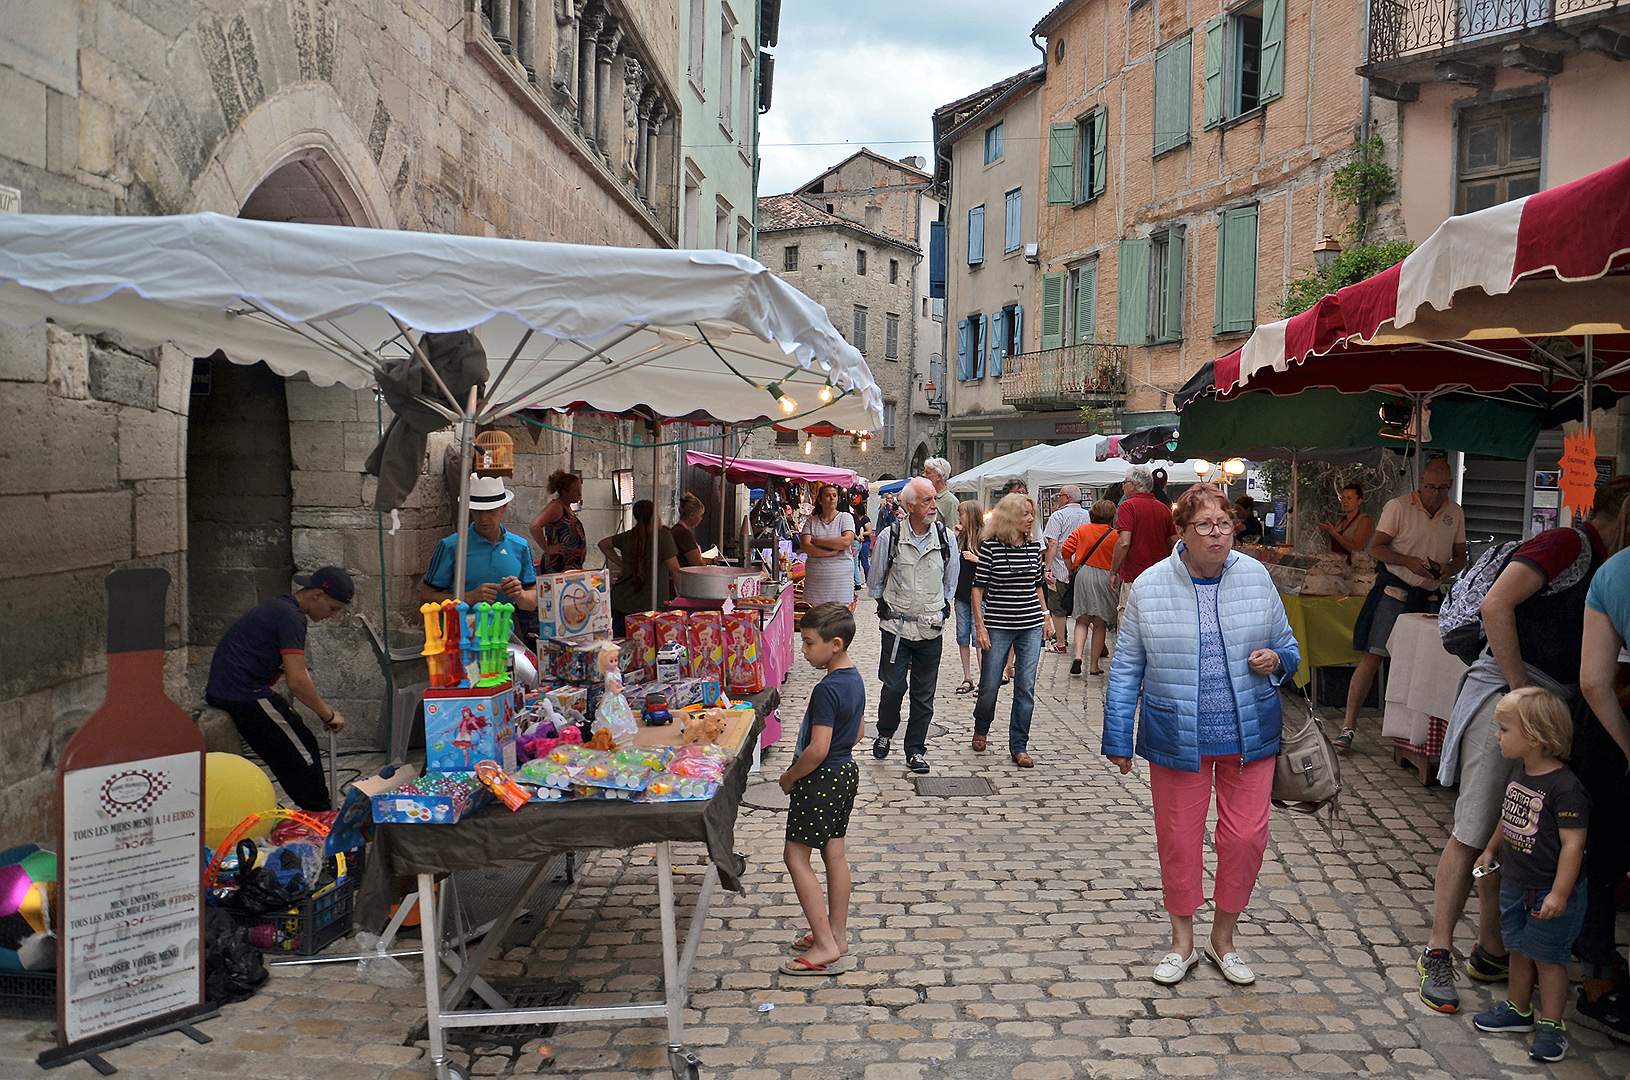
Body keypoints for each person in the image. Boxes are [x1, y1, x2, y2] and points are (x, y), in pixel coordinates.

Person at [1414, 478, 1630, 1016]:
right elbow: (1495, 605)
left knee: (1516, 831)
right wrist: (1520, 694)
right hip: (1512, 695)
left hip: (1555, 704)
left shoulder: (1608, 562)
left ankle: (1493, 950)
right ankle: (1436, 951)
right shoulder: (1566, 544)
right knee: (1473, 827)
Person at [1102, 484, 1299, 987]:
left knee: (1246, 838)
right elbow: (1125, 668)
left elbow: (1289, 649)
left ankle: (1224, 938)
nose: (1218, 534)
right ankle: (1182, 942)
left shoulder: (1256, 576)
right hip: (1176, 734)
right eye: (1206, 526)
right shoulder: (1149, 585)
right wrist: (1119, 736)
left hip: (1250, 734)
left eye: (1225, 524)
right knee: (1178, 840)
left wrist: (1276, 661)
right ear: (1182, 532)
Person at [1470, 687, 1588, 1064]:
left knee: (1550, 959)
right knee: (1518, 947)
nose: (1497, 735)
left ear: (1535, 738)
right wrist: (1491, 848)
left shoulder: (1567, 789)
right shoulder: (1521, 771)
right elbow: (1510, 814)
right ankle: (1518, 1009)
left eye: (1504, 729)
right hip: (1516, 883)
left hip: (1549, 891)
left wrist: (1559, 893)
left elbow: (1573, 846)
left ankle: (1553, 1024)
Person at [1339, 459, 1466, 750]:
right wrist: (1408, 561)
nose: (1437, 493)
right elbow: (1377, 548)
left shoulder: (1454, 512)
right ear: (1420, 482)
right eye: (1431, 487)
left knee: (1427, 665)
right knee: (1373, 657)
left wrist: (1450, 567)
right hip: (1394, 592)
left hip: (1429, 595)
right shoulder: (1398, 506)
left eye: (1443, 488)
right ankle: (1348, 726)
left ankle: (1418, 735)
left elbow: (1461, 555)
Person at [204, 566, 354, 811]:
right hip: (242, 693)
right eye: (333, 609)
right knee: (301, 753)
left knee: (301, 740)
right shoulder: (291, 616)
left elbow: (299, 671)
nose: (332, 616)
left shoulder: (283, 608)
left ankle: (317, 810)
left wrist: (323, 711)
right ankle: (320, 815)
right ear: (317, 595)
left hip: (241, 689)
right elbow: (296, 682)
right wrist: (326, 714)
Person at [778, 602, 864, 977]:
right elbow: (859, 731)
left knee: (796, 857)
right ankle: (837, 935)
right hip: (845, 773)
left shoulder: (826, 690)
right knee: (835, 855)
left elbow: (817, 749)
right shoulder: (855, 678)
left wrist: (791, 776)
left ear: (835, 644)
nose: (803, 650)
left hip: (821, 779)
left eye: (809, 643)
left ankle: (825, 943)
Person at [866, 478, 958, 774]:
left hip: (930, 629)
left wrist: (937, 611)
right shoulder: (890, 537)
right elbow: (875, 582)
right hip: (896, 629)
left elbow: (950, 583)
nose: (934, 506)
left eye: (934, 499)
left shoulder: (945, 538)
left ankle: (915, 749)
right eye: (927, 501)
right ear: (909, 505)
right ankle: (884, 731)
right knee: (893, 686)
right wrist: (894, 606)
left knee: (923, 694)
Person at [971, 493, 1048, 768]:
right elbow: (978, 589)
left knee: (1025, 687)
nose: (1030, 519)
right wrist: (980, 626)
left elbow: (1038, 584)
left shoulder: (1033, 546)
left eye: (1031, 514)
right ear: (1009, 518)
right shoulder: (991, 548)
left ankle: (1019, 745)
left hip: (1030, 625)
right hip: (999, 625)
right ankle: (982, 726)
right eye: (1024, 514)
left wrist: (1046, 616)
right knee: (990, 685)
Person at [422, 475, 540, 637]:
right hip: (457, 642)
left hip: (502, 642)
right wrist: (467, 598)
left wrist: (519, 594)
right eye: (477, 511)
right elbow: (426, 598)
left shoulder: (519, 546)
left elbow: (532, 601)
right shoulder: (451, 546)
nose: (483, 518)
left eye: (490, 511)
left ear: (503, 507)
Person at [599, 499, 681, 636]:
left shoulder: (628, 536)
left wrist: (621, 564)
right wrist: (682, 597)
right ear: (655, 516)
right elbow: (675, 570)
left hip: (621, 603)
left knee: (624, 651)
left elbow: (603, 544)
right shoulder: (663, 536)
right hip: (650, 607)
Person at [1109, 466, 1179, 624]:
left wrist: (1113, 571)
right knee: (1155, 621)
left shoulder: (1127, 506)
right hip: (1160, 576)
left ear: (1133, 484)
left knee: (1129, 620)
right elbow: (1176, 541)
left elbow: (1124, 542)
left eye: (1125, 483)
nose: (1123, 487)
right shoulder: (1164, 509)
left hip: (1134, 574)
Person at [1061, 499, 1119, 676]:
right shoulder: (1116, 534)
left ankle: (1078, 656)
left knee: (1082, 619)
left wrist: (1071, 568)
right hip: (1106, 575)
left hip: (1083, 574)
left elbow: (1065, 550)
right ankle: (1094, 666)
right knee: (1100, 623)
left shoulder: (1082, 530)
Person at [1041, 485, 1094, 655]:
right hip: (1083, 567)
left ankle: (1061, 643)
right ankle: (1097, 639)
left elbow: (1053, 543)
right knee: (1083, 607)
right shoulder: (1087, 515)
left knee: (1058, 607)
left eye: (1060, 496)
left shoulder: (1058, 516)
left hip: (1061, 568)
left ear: (1067, 498)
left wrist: (1047, 568)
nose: (1058, 499)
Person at [800, 483, 858, 608]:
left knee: (838, 617)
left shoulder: (845, 518)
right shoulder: (811, 521)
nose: (832, 499)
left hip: (840, 580)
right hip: (816, 581)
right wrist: (830, 552)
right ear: (820, 500)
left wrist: (820, 541)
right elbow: (805, 546)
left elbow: (846, 541)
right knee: (818, 618)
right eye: (827, 496)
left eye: (834, 496)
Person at [952, 500, 985, 696]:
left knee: (978, 636)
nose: (959, 518)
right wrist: (954, 538)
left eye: (961, 514)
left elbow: (993, 565)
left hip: (980, 594)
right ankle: (967, 677)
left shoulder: (985, 538)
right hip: (962, 592)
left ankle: (983, 679)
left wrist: (977, 559)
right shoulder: (960, 537)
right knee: (962, 636)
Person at [530, 469, 586, 576]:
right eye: (575, 491)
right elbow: (534, 525)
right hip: (558, 566)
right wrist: (547, 548)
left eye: (580, 490)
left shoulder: (567, 507)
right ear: (564, 492)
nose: (580, 494)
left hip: (570, 567)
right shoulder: (556, 507)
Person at [1318, 482, 1375, 562]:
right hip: (1337, 566)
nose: (1345, 501)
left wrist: (1334, 533)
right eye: (1343, 498)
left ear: (1359, 501)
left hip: (1357, 568)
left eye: (1349, 498)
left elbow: (1356, 549)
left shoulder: (1365, 520)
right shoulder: (1341, 521)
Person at [671, 493, 711, 567]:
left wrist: (712, 561)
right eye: (700, 515)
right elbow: (696, 562)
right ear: (691, 515)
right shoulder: (683, 534)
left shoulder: (677, 529)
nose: (701, 519)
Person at [923, 457, 958, 528]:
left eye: (928, 473)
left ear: (939, 477)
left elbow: (953, 532)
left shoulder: (950, 501)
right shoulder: (923, 496)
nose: (923, 475)